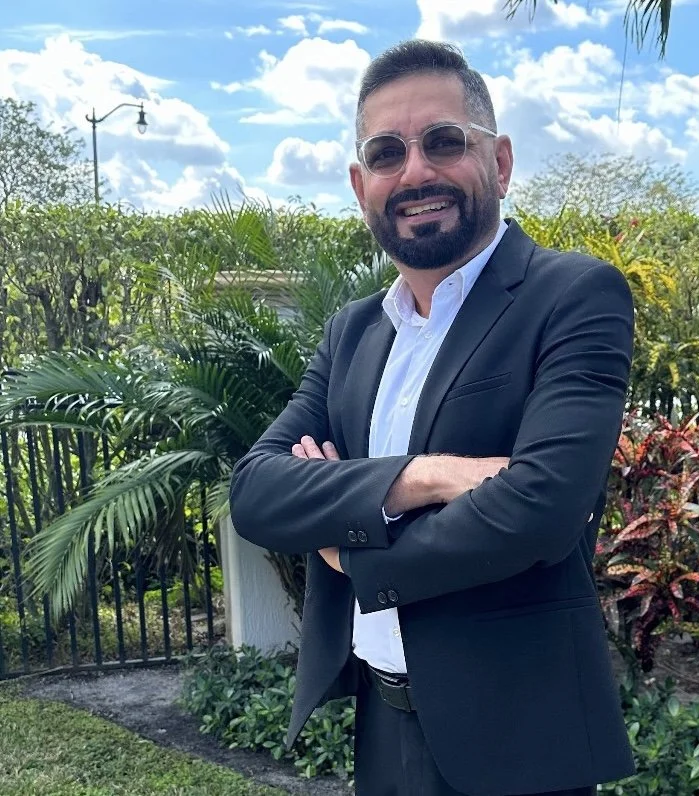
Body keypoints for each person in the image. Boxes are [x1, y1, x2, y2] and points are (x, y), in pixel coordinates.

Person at [230, 38, 635, 796]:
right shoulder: (353, 330)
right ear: (361, 184)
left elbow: (541, 508)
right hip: (383, 730)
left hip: (520, 742)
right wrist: (426, 478)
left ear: (500, 162)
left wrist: (350, 548)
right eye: (387, 153)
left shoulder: (571, 298)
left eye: (443, 142)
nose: (414, 171)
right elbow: (256, 490)